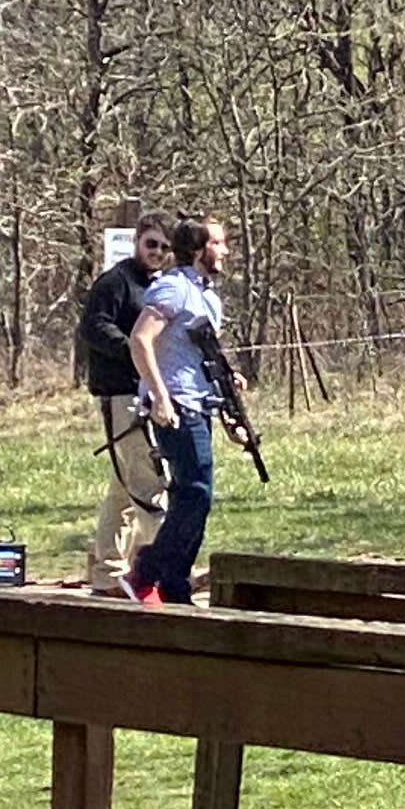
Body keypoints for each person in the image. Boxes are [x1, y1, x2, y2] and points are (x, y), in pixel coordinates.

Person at [127, 216, 231, 607]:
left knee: (196, 496)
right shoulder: (173, 288)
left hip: (198, 403)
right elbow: (140, 340)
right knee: (195, 493)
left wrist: (228, 385)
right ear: (199, 249)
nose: (225, 250)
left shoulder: (208, 297)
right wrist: (160, 396)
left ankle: (174, 586)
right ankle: (146, 571)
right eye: (218, 243)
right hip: (176, 407)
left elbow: (202, 357)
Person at [76, 214, 175, 593]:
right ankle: (166, 570)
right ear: (137, 242)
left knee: (122, 489)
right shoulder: (115, 282)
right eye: (152, 244)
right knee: (150, 485)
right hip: (120, 395)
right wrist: (134, 350)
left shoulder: (159, 285)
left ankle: (108, 574)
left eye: (165, 248)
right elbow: (93, 327)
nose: (157, 253)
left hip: (146, 392)